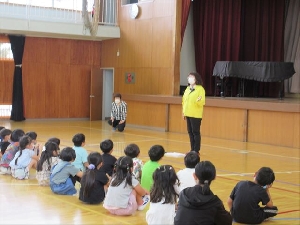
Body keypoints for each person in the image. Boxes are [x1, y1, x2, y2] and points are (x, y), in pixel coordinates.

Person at [174, 161, 232, 225]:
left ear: (194, 176)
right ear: (214, 177)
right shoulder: (214, 202)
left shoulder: (184, 194)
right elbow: (227, 221)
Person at [182, 72, 206, 153]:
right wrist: (183, 112)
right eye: (189, 77)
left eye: (192, 77)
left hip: (195, 114)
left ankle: (196, 150)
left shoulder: (200, 89)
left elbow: (202, 101)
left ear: (196, 79)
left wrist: (198, 100)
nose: (190, 78)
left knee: (195, 132)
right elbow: (184, 101)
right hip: (188, 113)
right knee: (190, 132)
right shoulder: (187, 89)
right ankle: (192, 149)